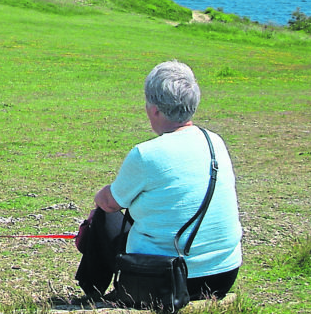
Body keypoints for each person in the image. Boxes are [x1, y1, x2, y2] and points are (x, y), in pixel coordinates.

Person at [86, 60, 242, 301]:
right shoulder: (215, 141)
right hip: (223, 274)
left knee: (103, 215)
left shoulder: (147, 154)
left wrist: (99, 200)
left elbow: (109, 203)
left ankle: (96, 294)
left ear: (155, 109)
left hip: (166, 278)